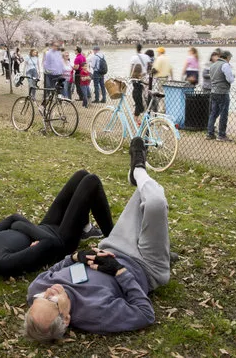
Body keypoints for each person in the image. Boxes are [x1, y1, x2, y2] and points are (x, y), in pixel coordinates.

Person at [24, 138, 171, 341]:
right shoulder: (95, 314)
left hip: (115, 244)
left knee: (144, 195)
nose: (49, 290)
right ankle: (138, 169)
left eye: (42, 297)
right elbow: (145, 314)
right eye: (53, 300)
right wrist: (119, 272)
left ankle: (140, 182)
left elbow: (52, 272)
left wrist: (76, 257)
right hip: (145, 266)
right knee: (155, 203)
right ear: (66, 319)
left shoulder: (36, 292)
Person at [0, 170, 111, 284]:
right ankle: (113, 237)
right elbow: (49, 242)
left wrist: (22, 226)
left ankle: (86, 229)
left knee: (81, 175)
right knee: (91, 182)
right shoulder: (3, 263)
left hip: (46, 225)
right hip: (62, 241)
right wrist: (22, 226)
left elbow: (14, 217)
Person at [206, 50, 235, 141]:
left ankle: (210, 133)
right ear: (227, 57)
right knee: (223, 114)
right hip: (223, 92)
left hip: (213, 91)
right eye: (230, 58)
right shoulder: (225, 65)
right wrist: (233, 76)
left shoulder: (213, 65)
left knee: (213, 113)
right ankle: (221, 135)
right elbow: (229, 79)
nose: (229, 60)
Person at [130, 44, 152, 125]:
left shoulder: (134, 57)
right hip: (145, 78)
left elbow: (132, 69)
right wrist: (148, 76)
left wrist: (130, 78)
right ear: (141, 48)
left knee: (137, 96)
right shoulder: (146, 57)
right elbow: (150, 67)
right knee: (146, 96)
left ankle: (138, 114)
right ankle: (143, 113)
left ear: (136, 49)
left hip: (136, 78)